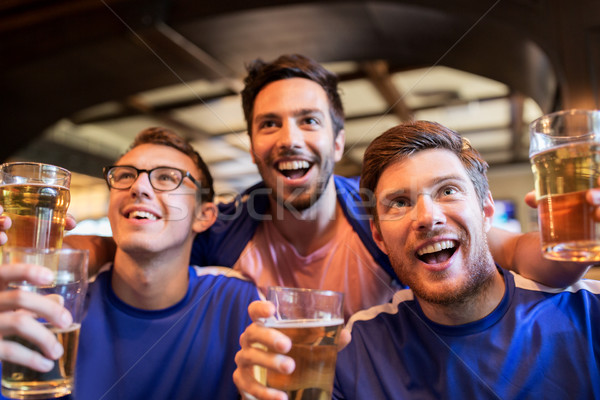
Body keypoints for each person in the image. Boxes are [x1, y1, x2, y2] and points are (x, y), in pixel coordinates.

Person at [65, 55, 591, 320]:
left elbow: (518, 254)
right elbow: (125, 247)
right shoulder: (225, 226)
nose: (290, 139)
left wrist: (576, 238)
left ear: (338, 143)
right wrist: (63, 252)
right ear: (252, 146)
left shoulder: (383, 217)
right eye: (270, 124)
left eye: (309, 121)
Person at [234, 121, 600, 399]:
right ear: (378, 236)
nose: (427, 217)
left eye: (448, 191)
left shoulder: (588, 314)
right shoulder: (353, 349)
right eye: (399, 202)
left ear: (487, 209)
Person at [0, 127, 261, 399]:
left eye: (167, 177)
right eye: (125, 176)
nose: (139, 187)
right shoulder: (54, 301)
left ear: (204, 216)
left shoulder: (238, 302)